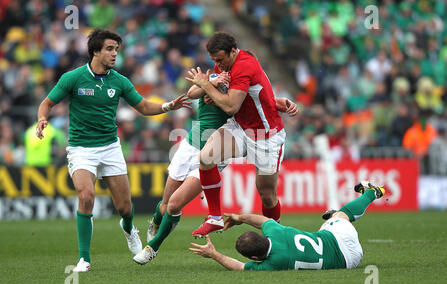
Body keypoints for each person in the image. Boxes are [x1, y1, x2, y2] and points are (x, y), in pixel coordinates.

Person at [35, 29, 191, 272]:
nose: (114, 54)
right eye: (109, 49)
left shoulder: (119, 81)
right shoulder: (73, 78)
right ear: (95, 51)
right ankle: (84, 259)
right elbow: (47, 103)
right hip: (81, 148)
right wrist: (42, 118)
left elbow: (143, 106)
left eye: (116, 50)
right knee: (86, 196)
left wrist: (168, 105)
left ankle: (128, 228)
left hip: (110, 148)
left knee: (125, 209)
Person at [133, 71, 299, 265]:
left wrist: (284, 102)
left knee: (175, 204)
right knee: (165, 204)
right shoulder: (214, 79)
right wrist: (210, 84)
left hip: (215, 151)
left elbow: (265, 101)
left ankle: (153, 247)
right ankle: (155, 220)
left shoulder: (240, 89)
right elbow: (192, 93)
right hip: (189, 146)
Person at [185, 31, 287, 238]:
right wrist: (215, 94)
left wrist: (207, 86)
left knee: (267, 196)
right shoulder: (225, 63)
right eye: (214, 61)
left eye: (221, 60)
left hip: (265, 135)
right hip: (241, 127)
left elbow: (231, 106)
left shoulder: (244, 66)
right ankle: (214, 217)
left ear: (233, 51)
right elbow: (239, 98)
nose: (218, 65)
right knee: (205, 157)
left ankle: (277, 237)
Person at [189, 181, 386, 271]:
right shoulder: (275, 231)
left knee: (335, 220)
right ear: (263, 237)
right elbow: (262, 220)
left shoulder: (273, 264)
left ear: (256, 258)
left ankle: (337, 214)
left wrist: (214, 254)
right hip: (339, 239)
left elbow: (240, 266)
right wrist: (239, 218)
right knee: (344, 215)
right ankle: (371, 192)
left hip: (349, 262)